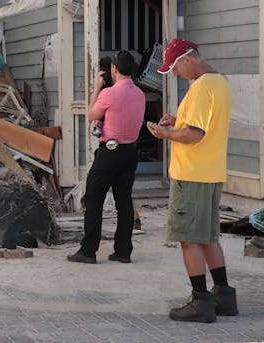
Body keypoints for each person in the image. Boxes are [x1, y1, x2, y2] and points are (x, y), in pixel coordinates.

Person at [146, 38, 237, 323]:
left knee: (189, 239)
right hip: (211, 172)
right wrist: (178, 120)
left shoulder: (199, 88)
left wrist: (165, 134)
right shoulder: (219, 82)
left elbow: (195, 135)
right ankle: (224, 296)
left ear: (187, 59)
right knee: (209, 237)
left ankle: (200, 301)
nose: (174, 73)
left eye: (174, 67)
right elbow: (204, 125)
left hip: (191, 174)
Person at [67, 50, 146, 264]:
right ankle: (123, 251)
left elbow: (92, 114)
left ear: (114, 69)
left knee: (93, 199)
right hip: (130, 152)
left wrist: (96, 89)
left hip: (110, 151)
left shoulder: (109, 93)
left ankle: (88, 251)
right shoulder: (140, 94)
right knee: (124, 201)